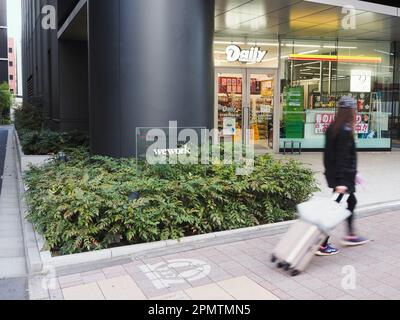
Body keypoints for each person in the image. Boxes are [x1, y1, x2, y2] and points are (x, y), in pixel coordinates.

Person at [317, 95, 370, 256]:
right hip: (343, 179)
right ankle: (322, 244)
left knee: (351, 202)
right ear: (351, 111)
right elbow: (343, 158)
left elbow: (328, 156)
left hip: (338, 176)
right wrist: (342, 182)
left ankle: (350, 234)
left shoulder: (333, 127)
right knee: (335, 211)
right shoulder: (345, 130)